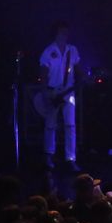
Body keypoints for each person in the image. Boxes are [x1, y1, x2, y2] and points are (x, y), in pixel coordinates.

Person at [39, 21, 81, 170]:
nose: (65, 35)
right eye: (62, 32)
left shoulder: (72, 50)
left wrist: (83, 79)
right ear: (56, 33)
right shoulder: (49, 51)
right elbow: (43, 72)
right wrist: (45, 91)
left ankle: (71, 158)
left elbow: (77, 68)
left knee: (70, 125)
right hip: (53, 91)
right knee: (50, 125)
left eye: (66, 32)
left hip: (69, 92)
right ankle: (49, 156)